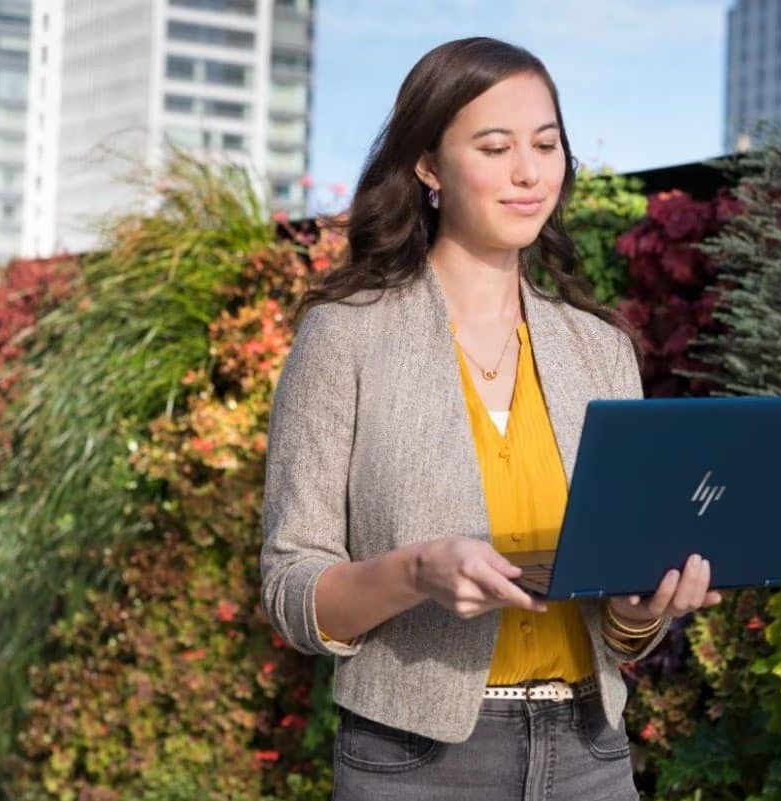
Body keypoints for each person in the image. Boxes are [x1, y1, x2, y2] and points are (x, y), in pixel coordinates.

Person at [260, 37, 722, 801]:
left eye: (546, 145)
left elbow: (618, 614)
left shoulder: (600, 349)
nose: (529, 171)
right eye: (495, 145)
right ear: (429, 166)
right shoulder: (345, 336)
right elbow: (291, 589)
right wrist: (415, 572)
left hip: (590, 754)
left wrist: (642, 610)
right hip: (414, 762)